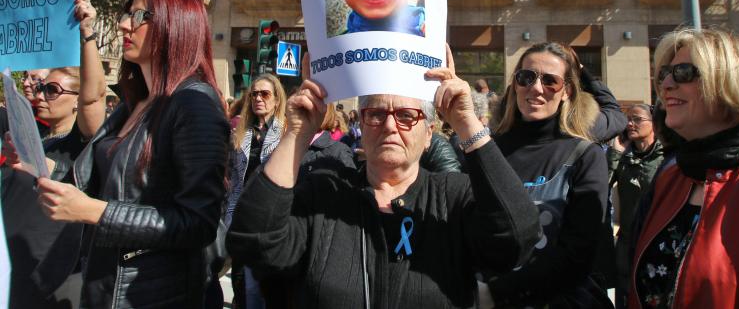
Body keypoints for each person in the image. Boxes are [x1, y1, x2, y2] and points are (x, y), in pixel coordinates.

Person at [227, 48, 542, 308]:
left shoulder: (453, 196)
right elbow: (253, 242)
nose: (390, 125)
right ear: (362, 127)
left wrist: (467, 122)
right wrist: (297, 132)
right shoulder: (323, 195)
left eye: (407, 116)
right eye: (376, 114)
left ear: (429, 134)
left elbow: (517, 239)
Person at [28, 0, 229, 309]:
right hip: (104, 286)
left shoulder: (195, 104)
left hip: (153, 295)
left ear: (174, 24)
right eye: (127, 14)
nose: (124, 24)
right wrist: (37, 164)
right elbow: (107, 182)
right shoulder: (134, 102)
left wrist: (95, 212)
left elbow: (198, 222)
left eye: (139, 15)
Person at [630, 28, 739, 308]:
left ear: (736, 84)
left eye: (684, 72)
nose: (666, 85)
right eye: (663, 74)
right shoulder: (672, 178)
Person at [484, 41, 613, 308]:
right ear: (515, 84)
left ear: (566, 91)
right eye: (526, 77)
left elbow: (578, 254)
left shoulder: (585, 156)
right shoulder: (487, 151)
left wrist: (496, 293)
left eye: (550, 81)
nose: (536, 88)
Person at [2, 0, 108, 308]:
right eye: (42, 87)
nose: (42, 94)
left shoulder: (82, 144)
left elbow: (94, 98)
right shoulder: (35, 135)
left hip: (49, 278)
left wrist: (87, 32)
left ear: (76, 98)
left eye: (53, 89)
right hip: (13, 269)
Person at [226, 73, 287, 309]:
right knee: (241, 283)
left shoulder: (284, 134)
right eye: (254, 94)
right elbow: (232, 175)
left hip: (267, 220)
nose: (258, 98)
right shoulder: (241, 133)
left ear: (276, 100)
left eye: (265, 94)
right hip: (240, 217)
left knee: (264, 288)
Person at [607, 104, 663, 308]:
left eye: (637, 119)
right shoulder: (623, 156)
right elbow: (601, 185)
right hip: (627, 240)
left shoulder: (665, 157)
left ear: (654, 123)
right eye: (628, 119)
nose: (630, 124)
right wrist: (615, 155)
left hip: (655, 240)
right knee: (624, 295)